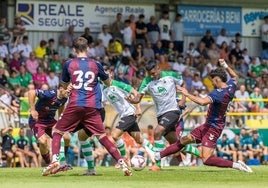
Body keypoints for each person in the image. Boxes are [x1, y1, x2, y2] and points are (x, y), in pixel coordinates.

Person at [42, 37, 132, 176]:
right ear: (88, 48)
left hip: (76, 104)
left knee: (57, 132)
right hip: (93, 107)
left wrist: (70, 86)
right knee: (102, 137)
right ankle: (122, 163)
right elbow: (108, 83)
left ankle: (55, 160)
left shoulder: (69, 64)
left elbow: (65, 86)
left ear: (73, 49)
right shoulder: (96, 64)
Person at [153, 59, 253, 173]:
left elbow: (202, 102)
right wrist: (225, 65)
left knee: (206, 159)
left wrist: (187, 94)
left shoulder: (217, 93)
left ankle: (237, 165)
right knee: (184, 140)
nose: (212, 83)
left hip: (213, 128)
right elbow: (234, 76)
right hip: (207, 125)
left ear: (217, 79)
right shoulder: (231, 87)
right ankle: (158, 156)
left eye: (212, 81)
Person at [126, 60, 200, 170]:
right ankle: (201, 153)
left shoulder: (171, 75)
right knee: (176, 144)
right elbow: (138, 98)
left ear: (158, 68)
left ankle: (158, 165)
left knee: (157, 132)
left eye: (153, 73)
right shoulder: (147, 81)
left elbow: (183, 83)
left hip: (173, 111)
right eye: (150, 74)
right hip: (160, 115)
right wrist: (132, 101)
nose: (152, 75)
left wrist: (183, 99)